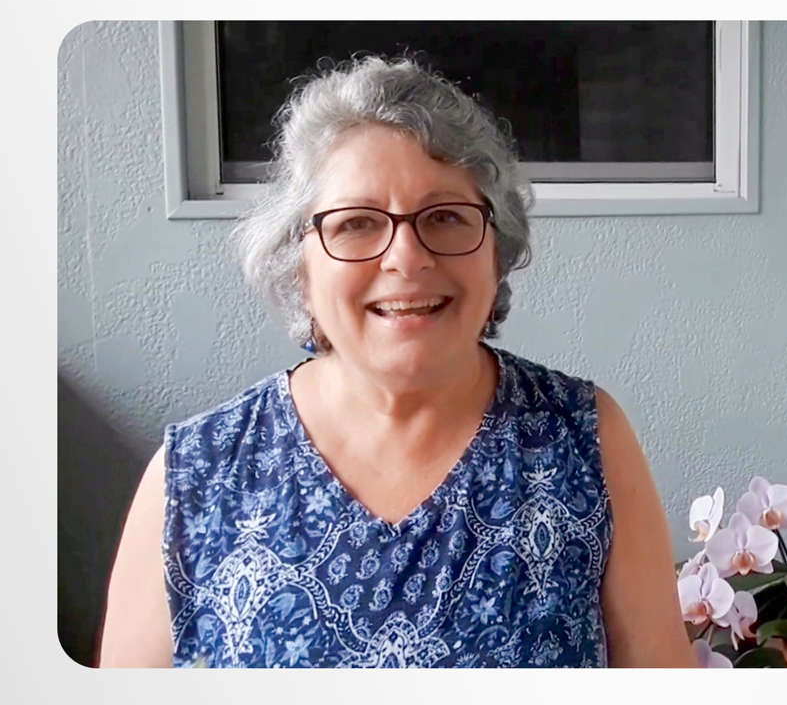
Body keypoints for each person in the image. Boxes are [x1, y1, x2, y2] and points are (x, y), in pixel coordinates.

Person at [99, 55, 693, 667]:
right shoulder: (196, 474)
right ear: (298, 263)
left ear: (496, 249)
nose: (406, 259)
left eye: (445, 216)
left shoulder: (584, 437)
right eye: (356, 223)